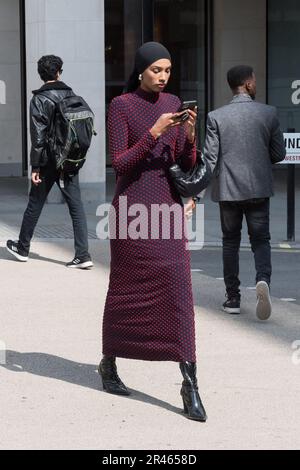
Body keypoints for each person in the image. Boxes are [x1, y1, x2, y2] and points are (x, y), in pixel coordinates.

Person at [98, 42, 207, 422]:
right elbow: (120, 163)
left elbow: (184, 163)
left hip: (167, 210)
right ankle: (109, 361)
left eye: (168, 70)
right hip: (132, 212)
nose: (163, 77)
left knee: (179, 289)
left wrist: (190, 137)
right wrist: (154, 132)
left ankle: (189, 381)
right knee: (125, 289)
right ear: (141, 70)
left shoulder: (174, 102)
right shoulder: (122, 106)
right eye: (156, 70)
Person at [203, 65, 286, 320]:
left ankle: (233, 298)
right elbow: (279, 153)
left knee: (230, 242)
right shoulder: (268, 114)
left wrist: (195, 192)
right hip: (258, 188)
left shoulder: (216, 117)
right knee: (261, 240)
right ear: (249, 84)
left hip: (228, 190)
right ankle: (263, 280)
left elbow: (210, 158)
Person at [6, 55, 93, 269]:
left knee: (35, 203)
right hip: (70, 160)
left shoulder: (39, 99)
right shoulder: (72, 95)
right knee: (76, 206)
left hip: (49, 162)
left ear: (40, 74)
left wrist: (35, 166)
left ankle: (23, 248)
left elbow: (38, 137)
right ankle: (83, 255)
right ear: (59, 72)